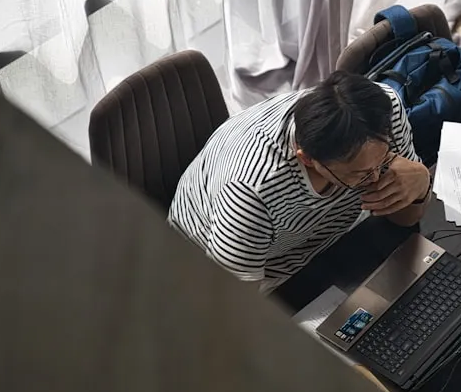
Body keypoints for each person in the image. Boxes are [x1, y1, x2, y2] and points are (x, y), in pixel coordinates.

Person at [168, 70, 432, 292]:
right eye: (359, 174)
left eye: (384, 161)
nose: (376, 177)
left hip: (328, 240)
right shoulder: (251, 192)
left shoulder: (384, 111)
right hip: (241, 274)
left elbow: (405, 218)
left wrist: (420, 183)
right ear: (307, 159)